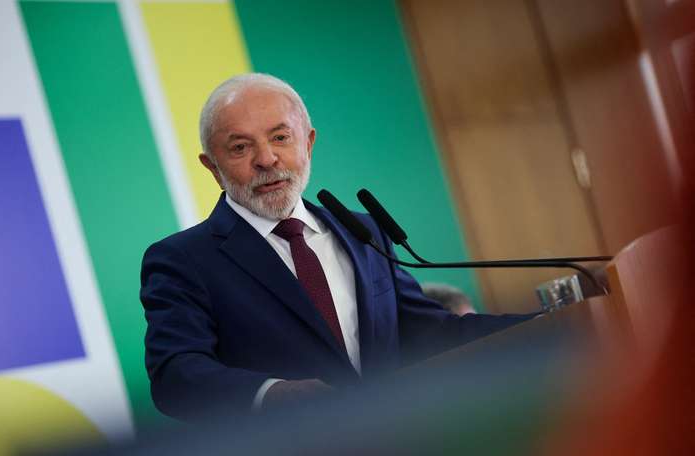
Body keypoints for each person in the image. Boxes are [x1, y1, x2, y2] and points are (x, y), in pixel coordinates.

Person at [140, 73, 534, 421]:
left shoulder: (363, 231)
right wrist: (274, 393)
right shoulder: (183, 260)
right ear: (213, 167)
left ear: (308, 143)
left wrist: (551, 324)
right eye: (240, 148)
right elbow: (176, 376)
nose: (267, 159)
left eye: (281, 137)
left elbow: (428, 331)